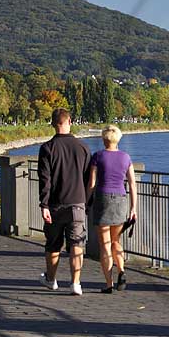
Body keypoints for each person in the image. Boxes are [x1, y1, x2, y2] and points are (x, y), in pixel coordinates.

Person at [37, 108, 90, 295]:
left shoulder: (47, 148)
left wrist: (44, 204)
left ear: (53, 124)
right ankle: (76, 283)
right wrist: (87, 201)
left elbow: (45, 179)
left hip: (54, 204)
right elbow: (88, 178)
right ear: (70, 122)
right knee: (77, 243)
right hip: (77, 202)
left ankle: (51, 280)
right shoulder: (83, 147)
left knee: (53, 244)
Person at [86, 124, 137, 293]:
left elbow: (92, 183)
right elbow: (132, 183)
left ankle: (109, 284)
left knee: (105, 245)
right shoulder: (125, 157)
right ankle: (121, 270)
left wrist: (87, 201)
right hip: (121, 200)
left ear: (103, 139)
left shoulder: (98, 156)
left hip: (103, 199)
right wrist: (133, 207)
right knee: (116, 241)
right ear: (118, 139)